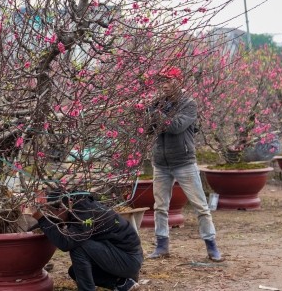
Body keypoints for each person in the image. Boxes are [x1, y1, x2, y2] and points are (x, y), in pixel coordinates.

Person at [146, 66, 223, 262]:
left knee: (201, 207)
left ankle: (211, 246)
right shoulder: (157, 103)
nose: (163, 85)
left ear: (178, 81)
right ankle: (161, 245)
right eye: (161, 81)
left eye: (167, 80)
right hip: (161, 163)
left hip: (184, 162)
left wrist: (155, 112)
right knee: (160, 207)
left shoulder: (188, 103)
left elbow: (176, 126)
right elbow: (148, 130)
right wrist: (146, 112)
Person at [29, 190, 143, 291]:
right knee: (74, 272)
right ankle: (122, 283)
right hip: (119, 258)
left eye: (51, 212)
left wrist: (42, 219)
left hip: (128, 261)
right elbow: (57, 222)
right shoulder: (78, 208)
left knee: (78, 246)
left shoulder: (83, 214)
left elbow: (66, 243)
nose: (51, 216)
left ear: (62, 208)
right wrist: (30, 230)